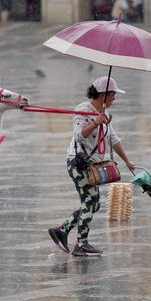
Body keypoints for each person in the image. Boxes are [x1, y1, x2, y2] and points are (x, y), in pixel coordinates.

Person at [48, 77, 135, 257]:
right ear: (103, 95)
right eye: (112, 94)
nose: (114, 99)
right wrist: (96, 122)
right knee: (89, 202)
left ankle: (62, 230)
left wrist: (127, 161)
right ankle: (81, 244)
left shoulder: (103, 114)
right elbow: (79, 136)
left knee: (93, 205)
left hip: (91, 166)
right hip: (78, 163)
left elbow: (113, 139)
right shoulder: (83, 110)